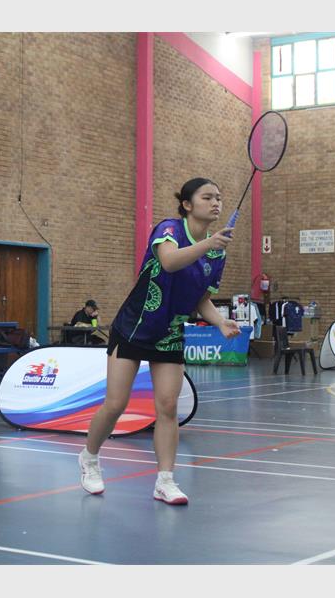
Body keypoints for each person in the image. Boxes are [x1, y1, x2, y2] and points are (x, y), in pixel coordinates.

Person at [78, 178, 240, 505]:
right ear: (187, 204)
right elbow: (169, 261)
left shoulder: (217, 254)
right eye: (207, 197)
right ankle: (89, 458)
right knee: (115, 404)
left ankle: (165, 481)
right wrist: (208, 245)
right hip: (135, 325)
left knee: (167, 407)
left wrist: (220, 321)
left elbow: (201, 300)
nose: (216, 203)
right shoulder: (169, 229)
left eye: (219, 198)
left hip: (169, 334)